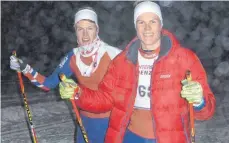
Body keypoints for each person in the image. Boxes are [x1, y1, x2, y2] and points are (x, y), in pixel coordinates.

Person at [59, 1, 216, 143]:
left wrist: (198, 100)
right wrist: (77, 92)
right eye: (141, 22)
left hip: (170, 138)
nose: (147, 28)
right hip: (130, 137)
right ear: (135, 26)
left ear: (161, 24)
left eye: (152, 22)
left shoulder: (184, 58)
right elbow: (105, 98)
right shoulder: (122, 61)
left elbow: (207, 111)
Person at [10, 7, 121, 143]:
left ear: (97, 30)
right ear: (75, 32)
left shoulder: (114, 55)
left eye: (89, 28)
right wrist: (24, 68)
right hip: (85, 123)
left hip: (112, 123)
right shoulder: (73, 57)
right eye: (80, 29)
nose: (85, 35)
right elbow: (48, 84)